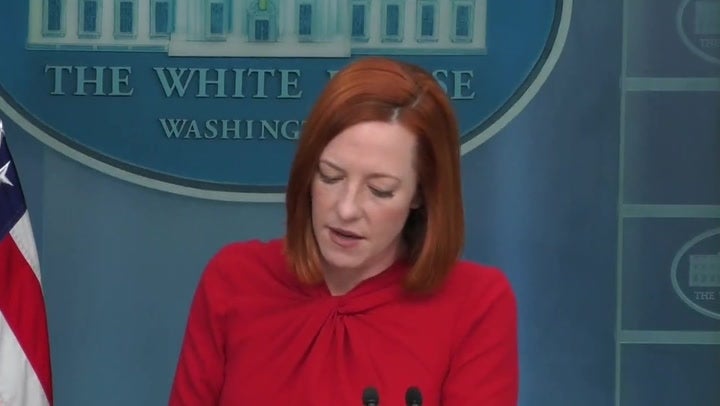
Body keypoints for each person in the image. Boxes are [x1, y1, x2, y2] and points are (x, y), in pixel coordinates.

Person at [168, 57, 518, 405]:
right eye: (330, 176)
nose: (346, 209)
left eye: (380, 190)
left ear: (420, 195)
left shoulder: (476, 305)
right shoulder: (235, 280)